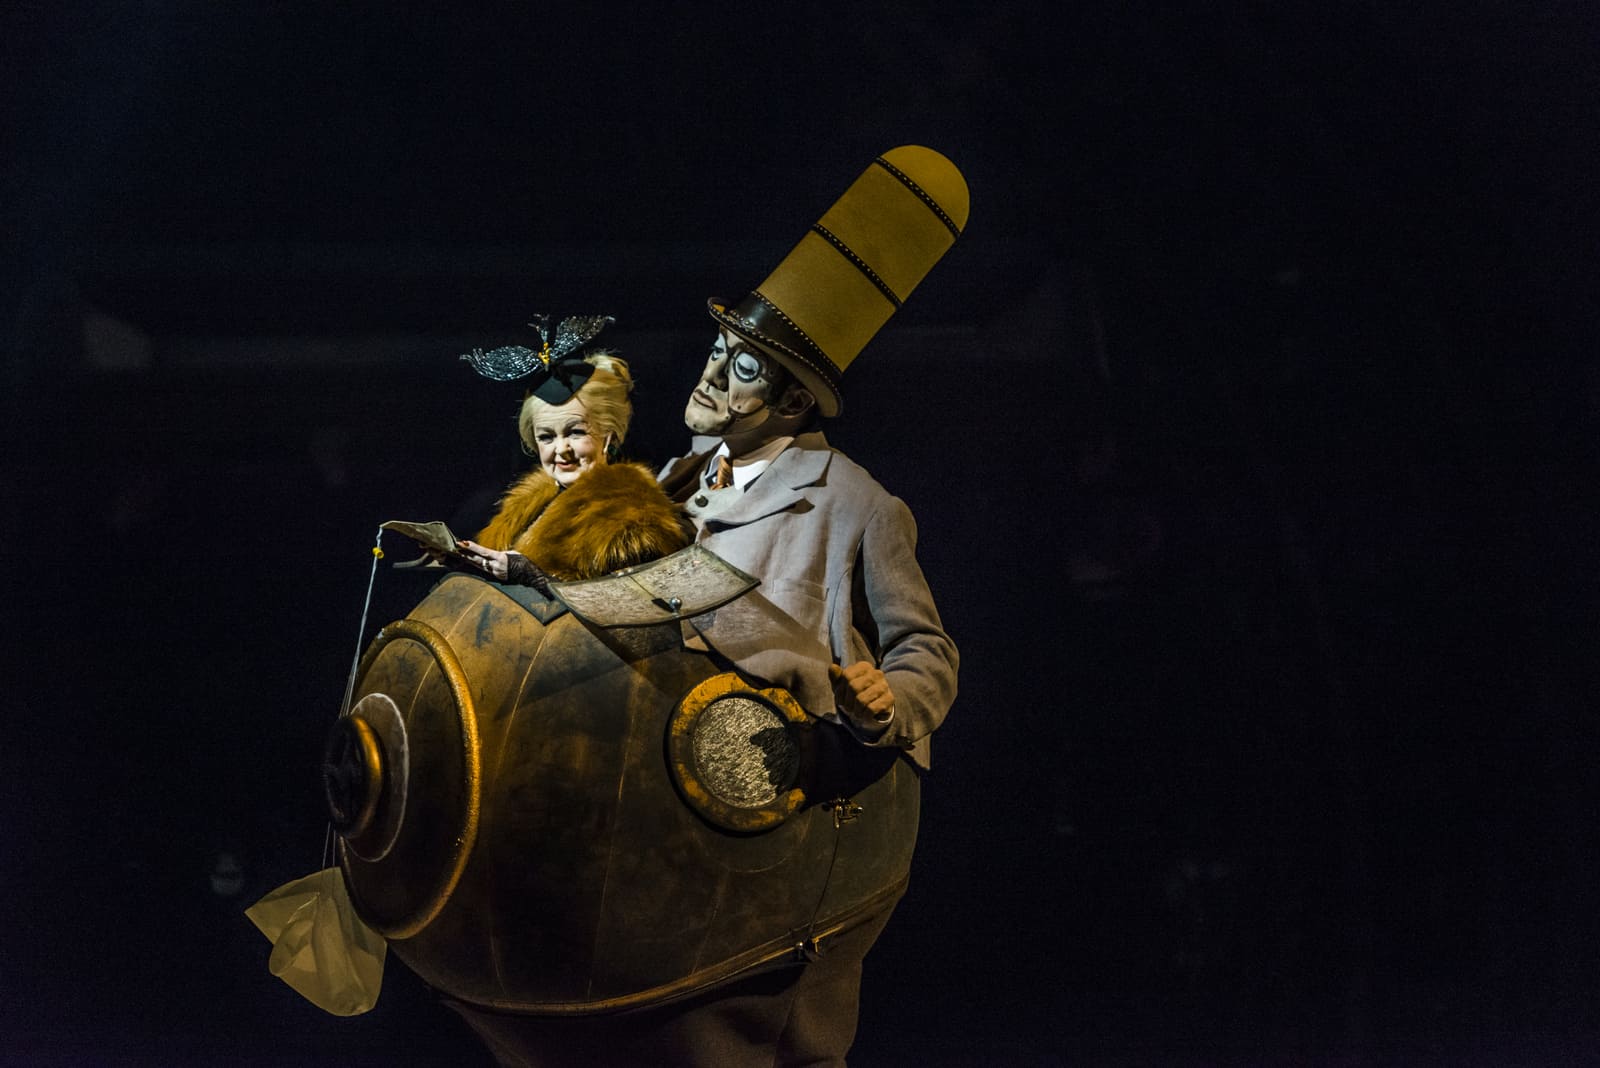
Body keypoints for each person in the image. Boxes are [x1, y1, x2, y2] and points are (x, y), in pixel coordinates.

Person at [453, 349, 691, 584]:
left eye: (575, 432)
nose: (561, 449)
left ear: (607, 437)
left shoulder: (635, 521)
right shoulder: (530, 503)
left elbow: (634, 602)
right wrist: (460, 559)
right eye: (546, 437)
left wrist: (534, 577)